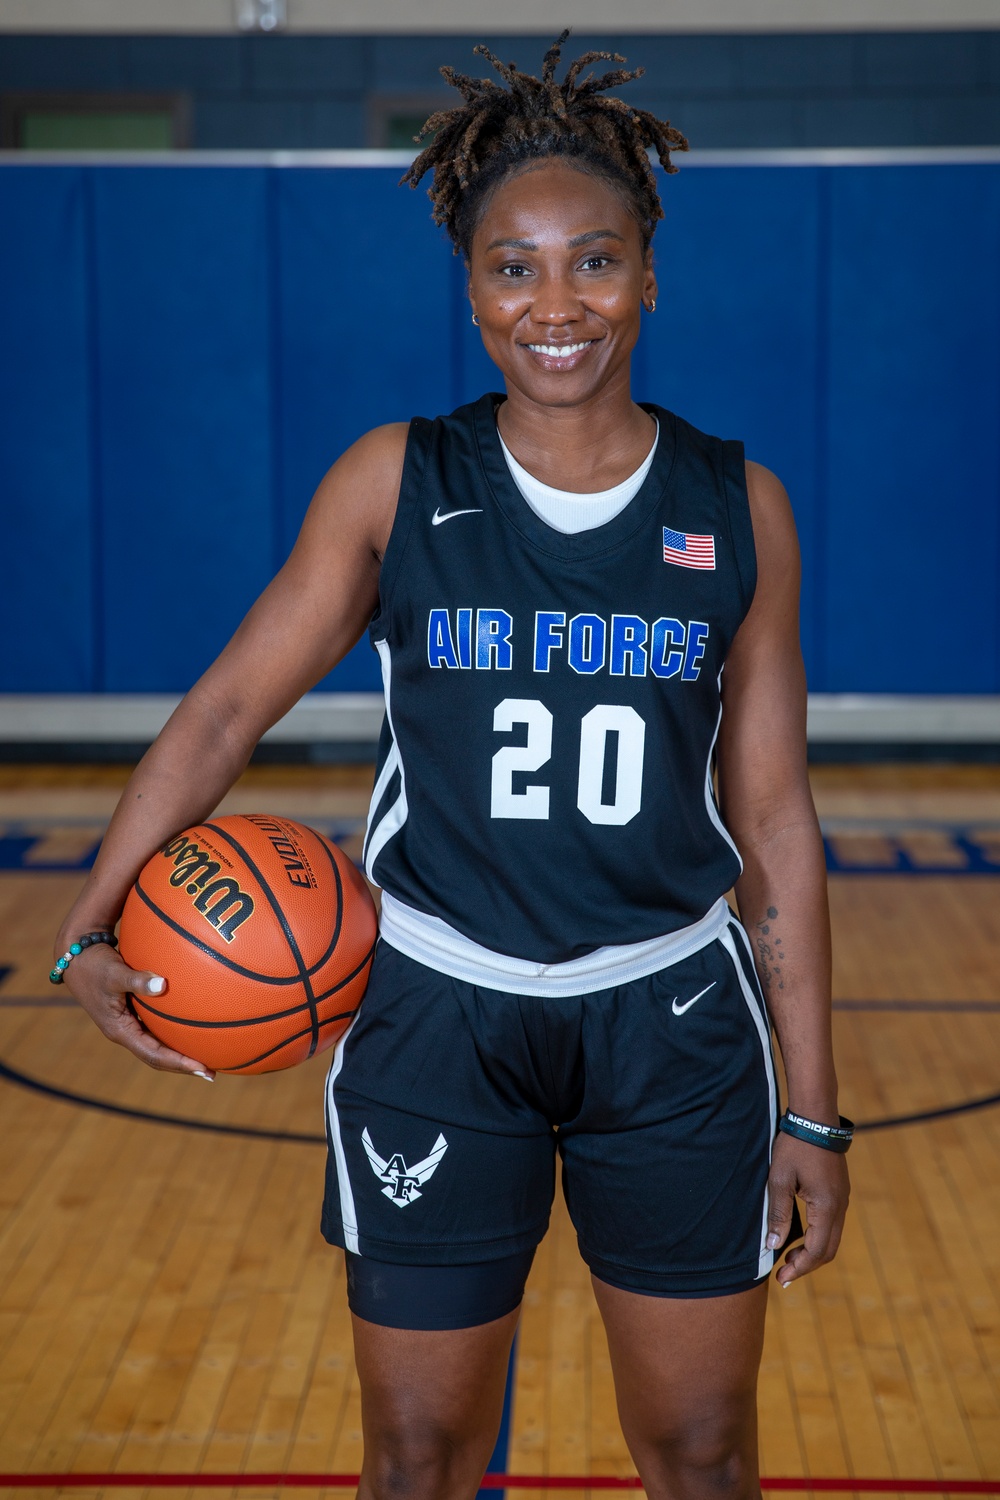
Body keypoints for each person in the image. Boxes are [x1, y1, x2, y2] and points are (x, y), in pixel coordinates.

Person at [54, 33, 850, 1500]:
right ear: (473, 286)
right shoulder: (395, 481)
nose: (557, 305)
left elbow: (775, 814)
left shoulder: (741, 507)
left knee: (702, 1449)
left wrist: (812, 1105)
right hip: (436, 1010)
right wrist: (89, 923)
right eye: (514, 267)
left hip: (670, 1018)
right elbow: (228, 711)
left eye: (595, 262)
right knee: (416, 1455)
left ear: (650, 274)